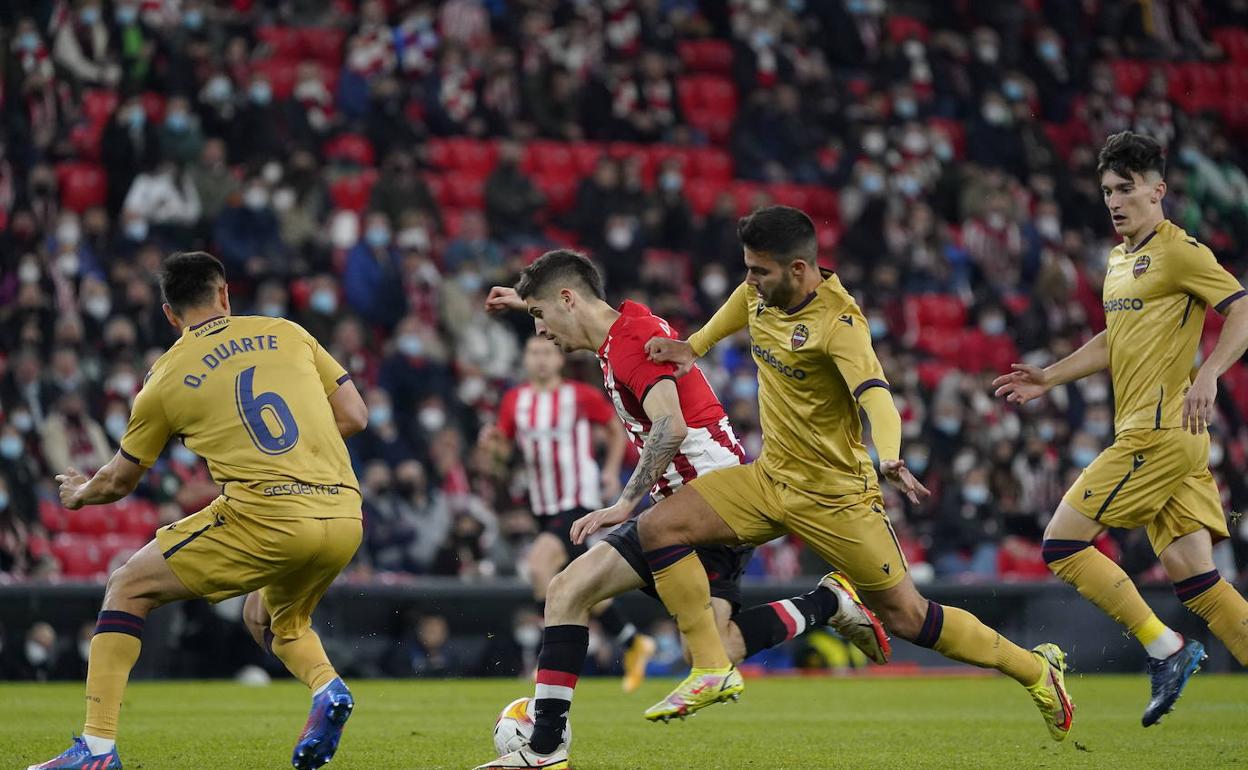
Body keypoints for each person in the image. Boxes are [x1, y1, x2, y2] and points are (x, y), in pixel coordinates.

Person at [638, 206, 1073, 741]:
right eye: (748, 269)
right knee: (659, 527)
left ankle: (1035, 670)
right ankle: (711, 667)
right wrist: (695, 345)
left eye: (759, 271)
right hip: (769, 480)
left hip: (836, 497)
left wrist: (889, 455)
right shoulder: (762, 292)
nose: (750, 280)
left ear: (799, 269)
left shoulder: (840, 324)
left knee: (909, 617)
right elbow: (741, 304)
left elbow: (877, 398)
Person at [473, 251, 888, 770]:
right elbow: (576, 309)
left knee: (567, 591)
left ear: (567, 299)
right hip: (698, 504)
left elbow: (670, 425)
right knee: (714, 647)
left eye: (541, 316)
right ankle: (828, 603)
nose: (541, 332)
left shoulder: (630, 342)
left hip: (709, 505)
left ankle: (544, 748)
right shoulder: (623, 330)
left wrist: (624, 503)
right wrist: (526, 302)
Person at [29, 251, 368, 770]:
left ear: (169, 313)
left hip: (268, 517)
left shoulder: (165, 377)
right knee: (268, 617)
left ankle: (95, 750)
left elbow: (120, 480)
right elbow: (355, 415)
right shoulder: (288, 331)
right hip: (343, 515)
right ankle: (327, 687)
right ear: (225, 293)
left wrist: (80, 493)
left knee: (127, 586)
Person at [993, 131, 1248, 726]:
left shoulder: (1182, 252)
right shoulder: (1118, 259)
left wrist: (1209, 373)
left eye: (1126, 189)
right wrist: (1050, 377)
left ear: (1158, 191)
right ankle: (1173, 646)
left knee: (1062, 545)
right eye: (1107, 190)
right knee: (1199, 581)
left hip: (1157, 433)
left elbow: (1241, 309)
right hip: (1167, 437)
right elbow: (1117, 337)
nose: (1114, 201)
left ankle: (1166, 649)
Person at [486, 334, 660, 692]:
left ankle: (546, 658)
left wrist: (610, 471)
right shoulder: (515, 400)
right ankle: (633, 641)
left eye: (546, 352)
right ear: (525, 359)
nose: (540, 359)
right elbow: (502, 457)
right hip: (542, 504)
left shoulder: (579, 395)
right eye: (533, 352)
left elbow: (614, 429)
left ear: (560, 359)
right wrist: (492, 449)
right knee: (578, 583)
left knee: (539, 567)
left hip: (578, 497)